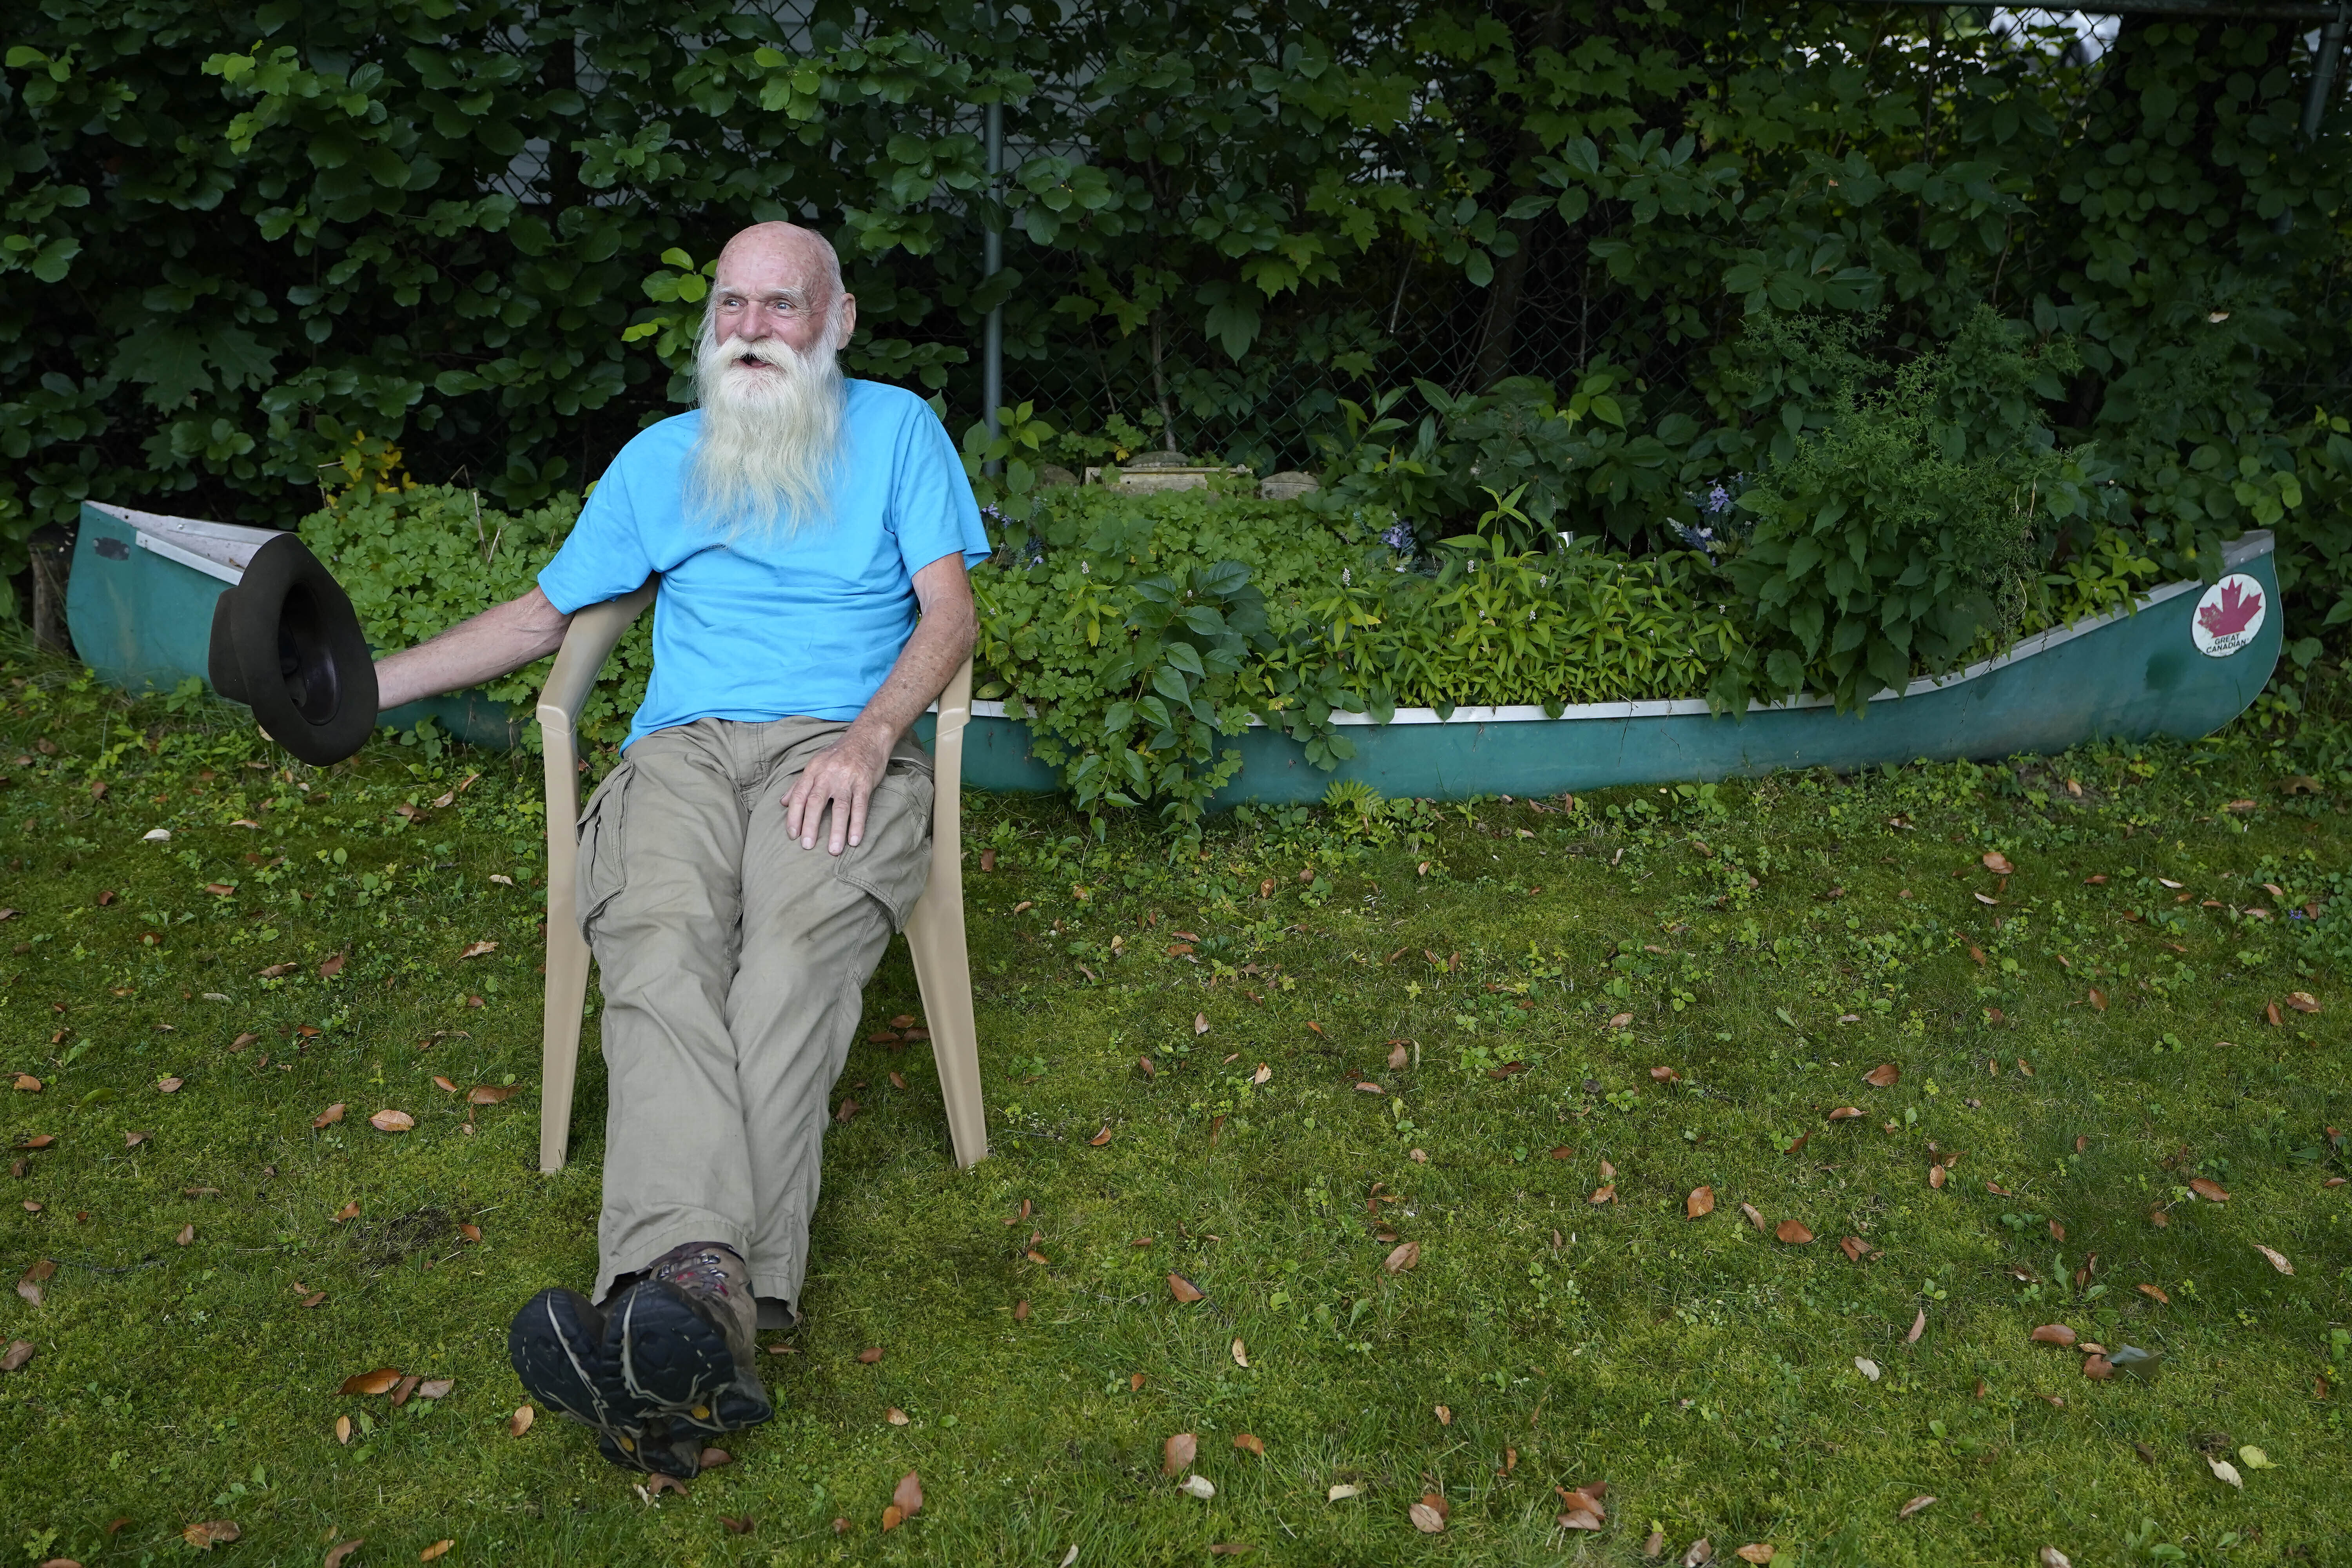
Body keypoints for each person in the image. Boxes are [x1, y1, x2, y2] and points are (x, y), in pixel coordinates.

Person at [366, 221, 988, 1478]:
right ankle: (707, 1318)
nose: (752, 328)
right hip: (685, 752)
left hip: (838, 742)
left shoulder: (902, 431)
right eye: (733, 305)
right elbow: (546, 616)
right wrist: (355, 691)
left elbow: (952, 614)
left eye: (783, 305)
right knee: (654, 944)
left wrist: (873, 740)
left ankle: (666, 1302)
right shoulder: (661, 460)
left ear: (841, 320)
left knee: (791, 958)